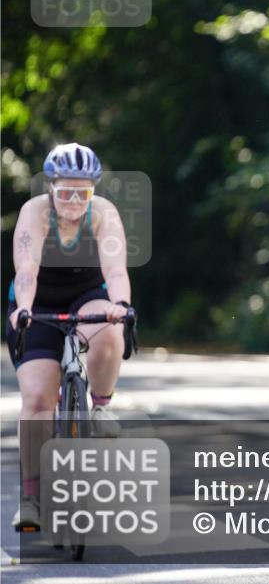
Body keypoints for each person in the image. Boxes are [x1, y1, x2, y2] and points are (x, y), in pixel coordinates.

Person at [6, 143, 133, 531]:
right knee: (37, 399)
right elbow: (26, 270)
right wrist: (24, 309)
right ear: (51, 187)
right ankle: (31, 498)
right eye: (66, 192)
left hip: (87, 294)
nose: (74, 200)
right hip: (38, 299)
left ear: (93, 191)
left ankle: (100, 405)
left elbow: (115, 271)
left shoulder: (104, 214)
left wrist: (121, 304)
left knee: (109, 331)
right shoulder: (35, 213)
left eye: (83, 192)